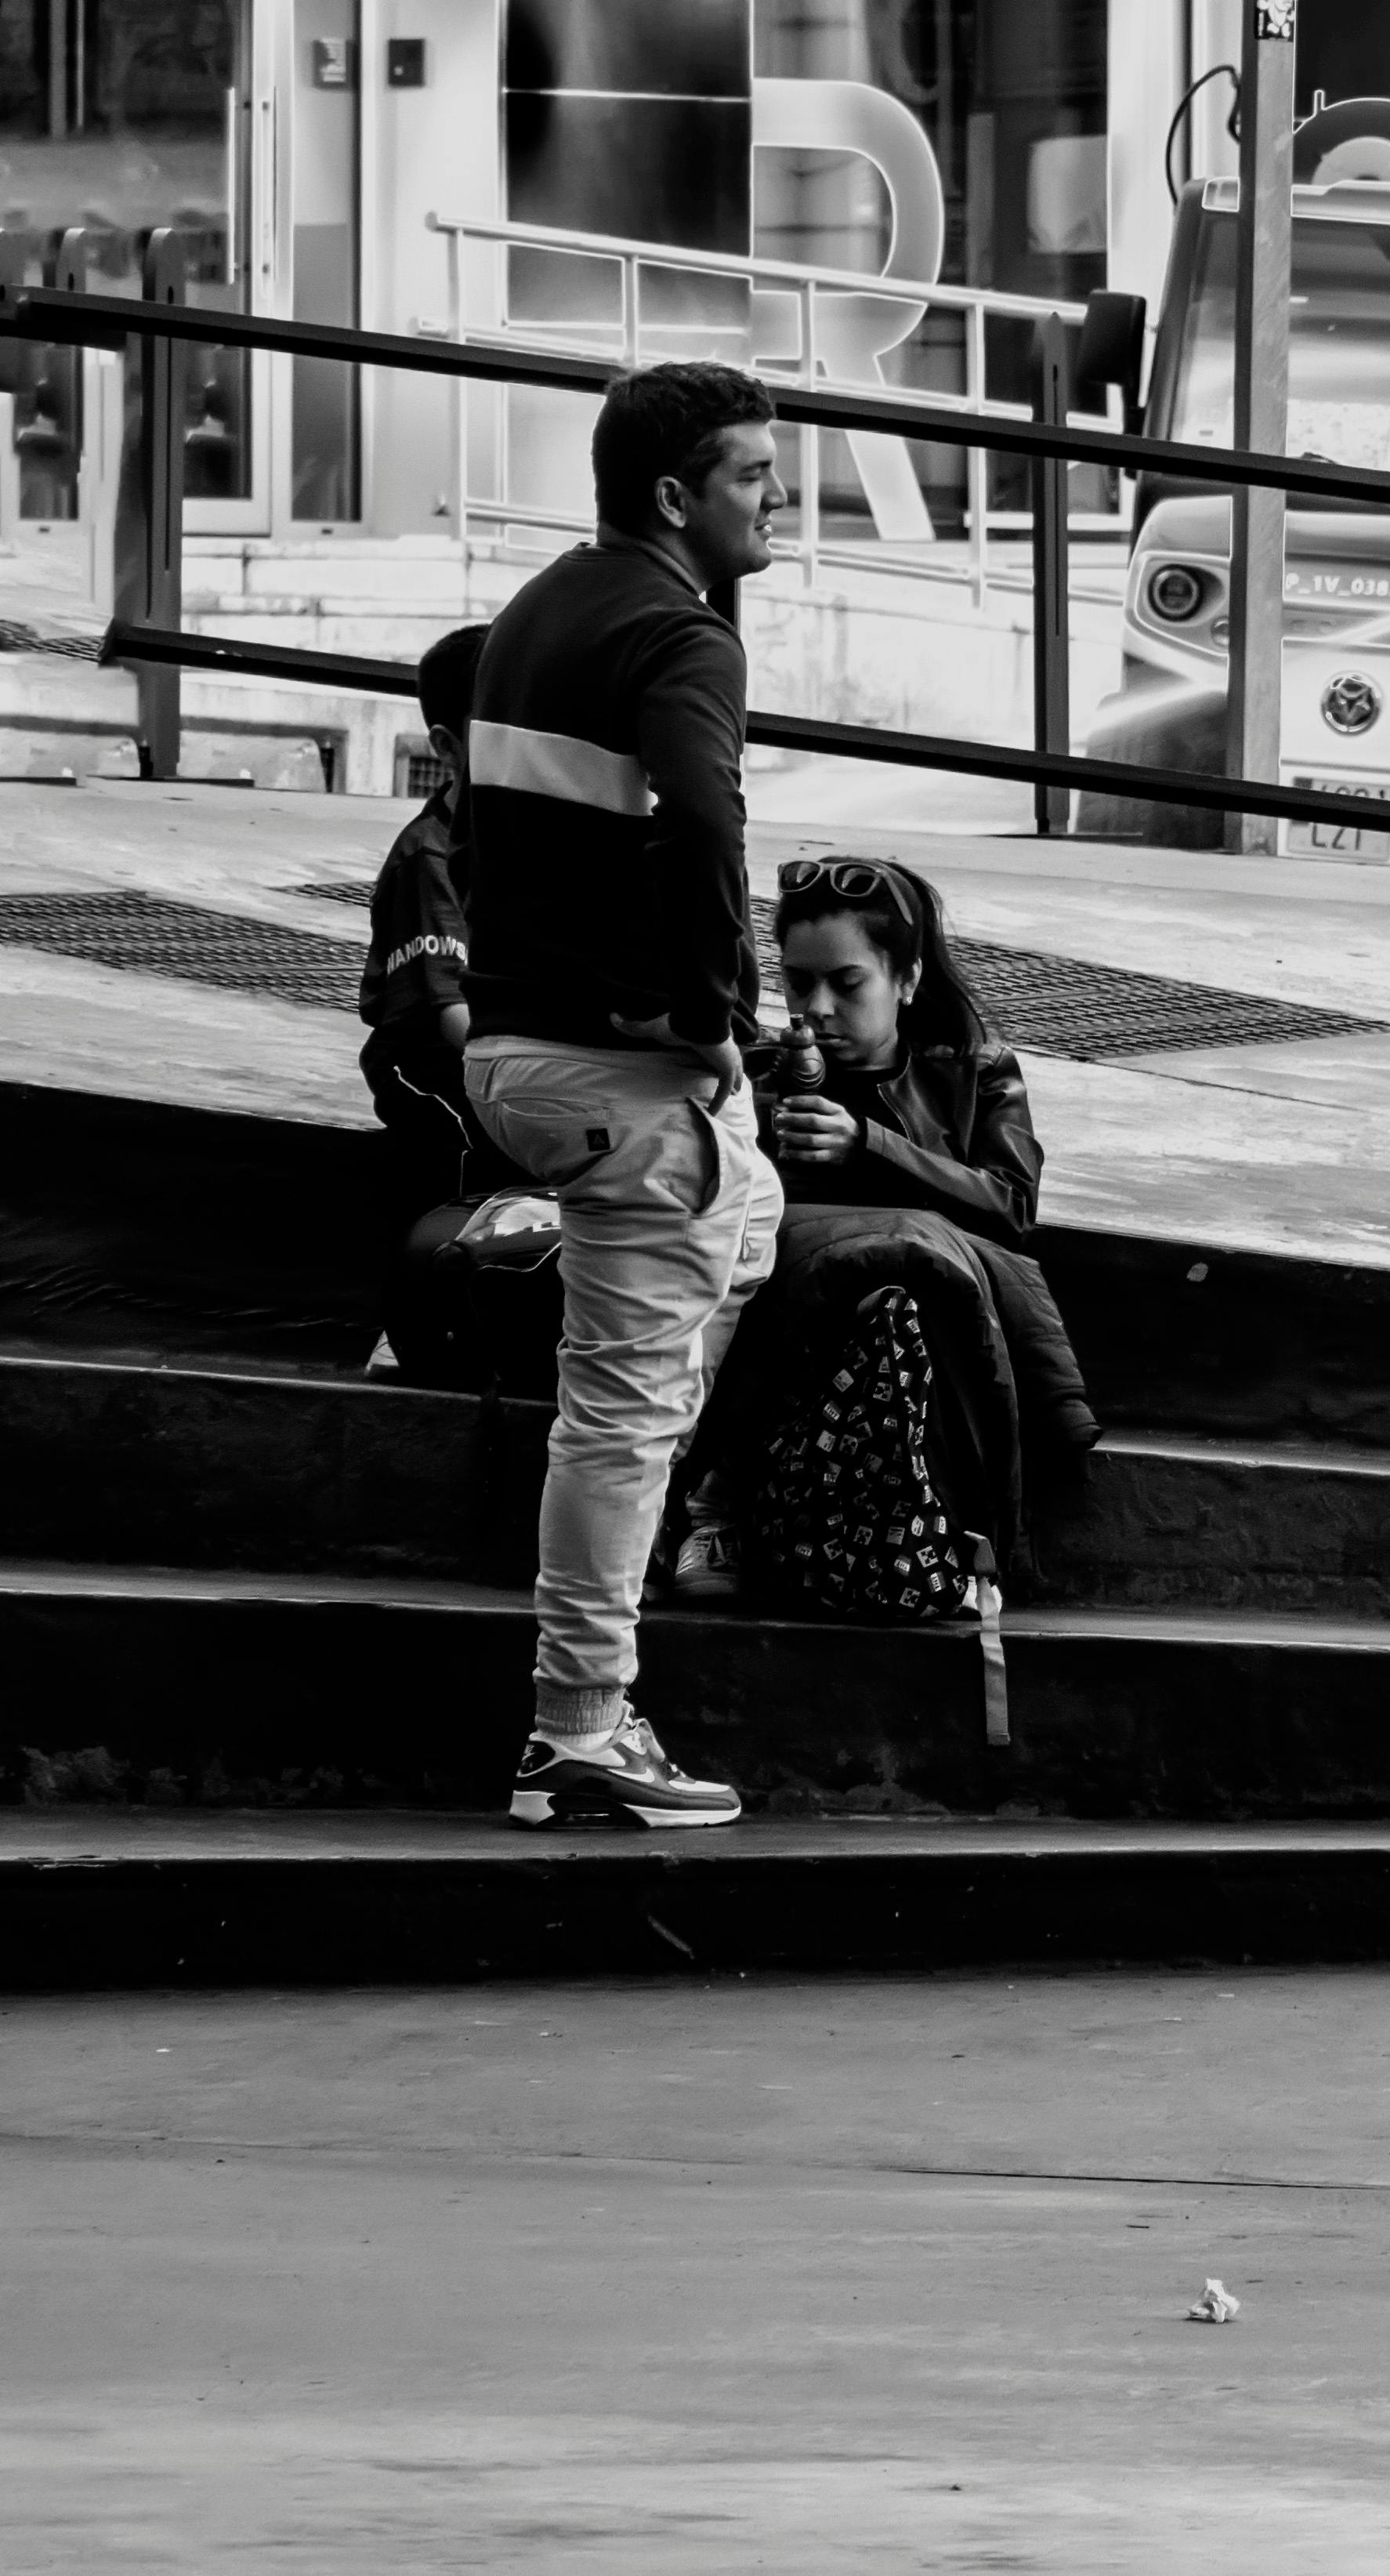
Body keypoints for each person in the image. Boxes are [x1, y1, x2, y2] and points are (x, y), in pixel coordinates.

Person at [454, 360, 787, 1831]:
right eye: (755, 475)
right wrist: (720, 1010)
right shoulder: (684, 633)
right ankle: (577, 1725)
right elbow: (705, 822)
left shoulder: (537, 608)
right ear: (677, 495)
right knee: (621, 1408)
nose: (781, 497)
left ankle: (640, 1479)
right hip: (625, 1074)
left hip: (516, 1056)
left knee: (755, 1212)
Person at [668, 855, 1092, 1602]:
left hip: (928, 1342)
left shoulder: (975, 1072)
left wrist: (871, 1145)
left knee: (906, 1284)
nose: (820, 1008)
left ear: (906, 979)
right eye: (800, 983)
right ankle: (724, 1502)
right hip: (789, 1334)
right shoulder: (761, 1072)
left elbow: (1011, 1207)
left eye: (848, 983)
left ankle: (942, 1523)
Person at [352, 622, 519, 1217]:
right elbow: (452, 1015)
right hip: (428, 1061)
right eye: (506, 734)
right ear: (448, 749)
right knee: (472, 1145)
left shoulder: (527, 839)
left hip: (509, 1050)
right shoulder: (429, 857)